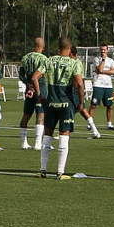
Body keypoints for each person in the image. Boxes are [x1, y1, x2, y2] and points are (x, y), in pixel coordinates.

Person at [39, 36, 84, 180]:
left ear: (58, 47)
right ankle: (60, 172)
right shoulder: (75, 63)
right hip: (66, 103)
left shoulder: (50, 60)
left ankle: (42, 170)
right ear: (70, 48)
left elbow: (34, 77)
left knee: (47, 135)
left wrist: (40, 95)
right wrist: (81, 102)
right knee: (64, 135)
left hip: (51, 102)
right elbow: (80, 83)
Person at [19, 38, 48, 150]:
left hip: (29, 88)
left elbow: (21, 75)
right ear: (43, 47)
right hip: (40, 87)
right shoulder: (43, 58)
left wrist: (29, 85)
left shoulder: (25, 57)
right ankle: (38, 143)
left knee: (26, 114)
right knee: (40, 113)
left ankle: (23, 142)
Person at [90, 44, 114, 130]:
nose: (103, 51)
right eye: (101, 50)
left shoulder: (111, 60)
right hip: (98, 84)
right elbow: (99, 69)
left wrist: (103, 71)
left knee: (110, 105)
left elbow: (113, 72)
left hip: (108, 86)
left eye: (104, 50)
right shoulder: (96, 59)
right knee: (94, 105)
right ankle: (90, 123)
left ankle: (109, 124)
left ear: (107, 50)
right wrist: (103, 60)